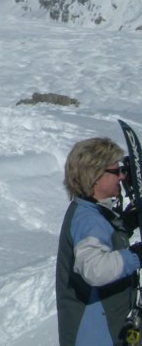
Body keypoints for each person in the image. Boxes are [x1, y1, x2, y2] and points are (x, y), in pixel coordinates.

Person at [56, 137, 142, 345]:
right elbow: (94, 269)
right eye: (116, 171)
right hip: (95, 335)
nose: (122, 176)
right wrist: (136, 256)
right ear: (94, 176)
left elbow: (106, 236)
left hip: (109, 330)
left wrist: (127, 222)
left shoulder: (91, 211)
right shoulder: (88, 219)